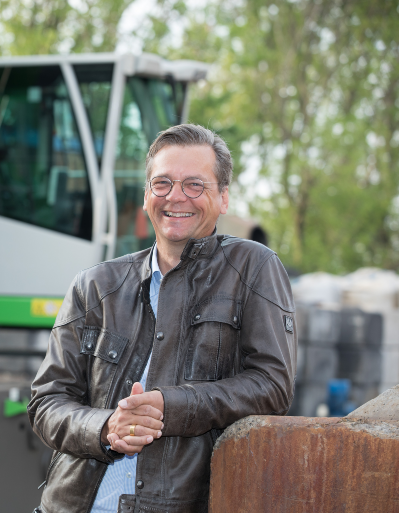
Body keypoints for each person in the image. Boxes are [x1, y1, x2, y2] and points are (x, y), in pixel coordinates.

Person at [28, 124, 297, 513]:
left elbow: (272, 385)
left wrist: (170, 407)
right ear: (146, 196)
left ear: (223, 198)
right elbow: (46, 401)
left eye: (194, 185)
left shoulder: (253, 268)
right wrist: (104, 428)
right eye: (163, 183)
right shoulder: (95, 285)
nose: (175, 196)